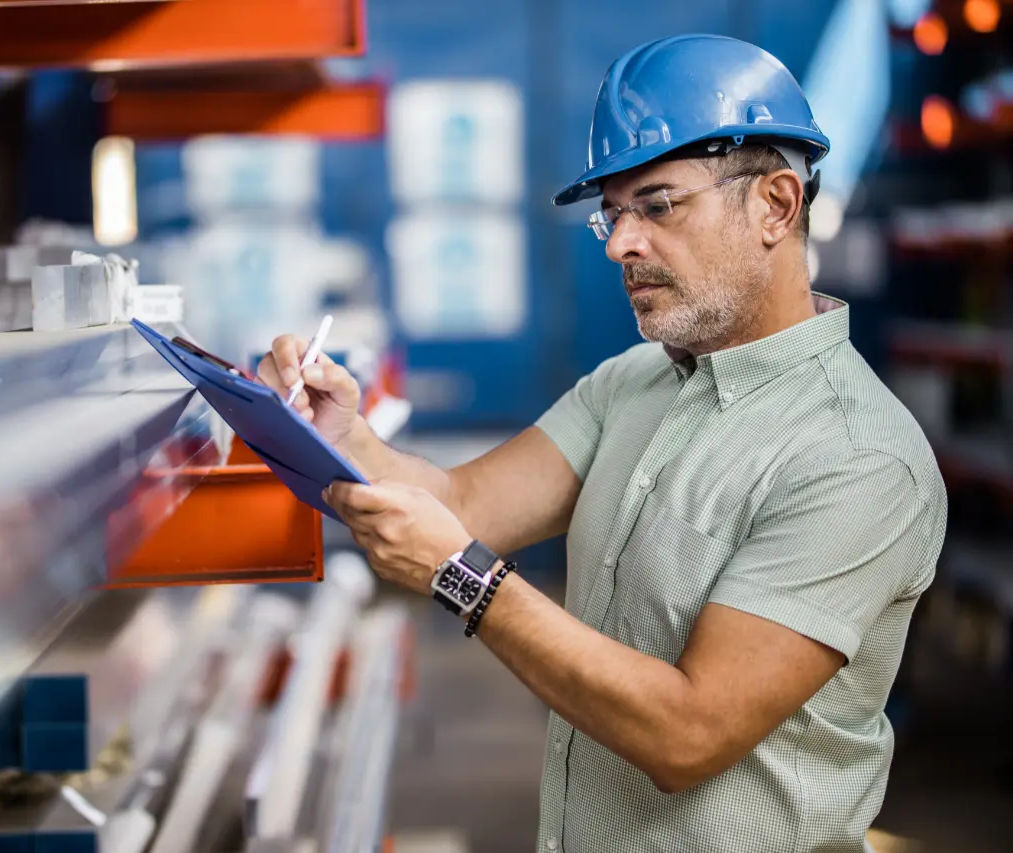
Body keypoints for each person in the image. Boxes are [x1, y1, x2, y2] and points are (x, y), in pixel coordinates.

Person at [256, 34, 946, 853]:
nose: (621, 243)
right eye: (613, 215)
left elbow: (687, 735)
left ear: (777, 205)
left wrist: (469, 583)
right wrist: (347, 438)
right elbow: (467, 505)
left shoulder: (857, 460)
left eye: (657, 205)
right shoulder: (634, 382)